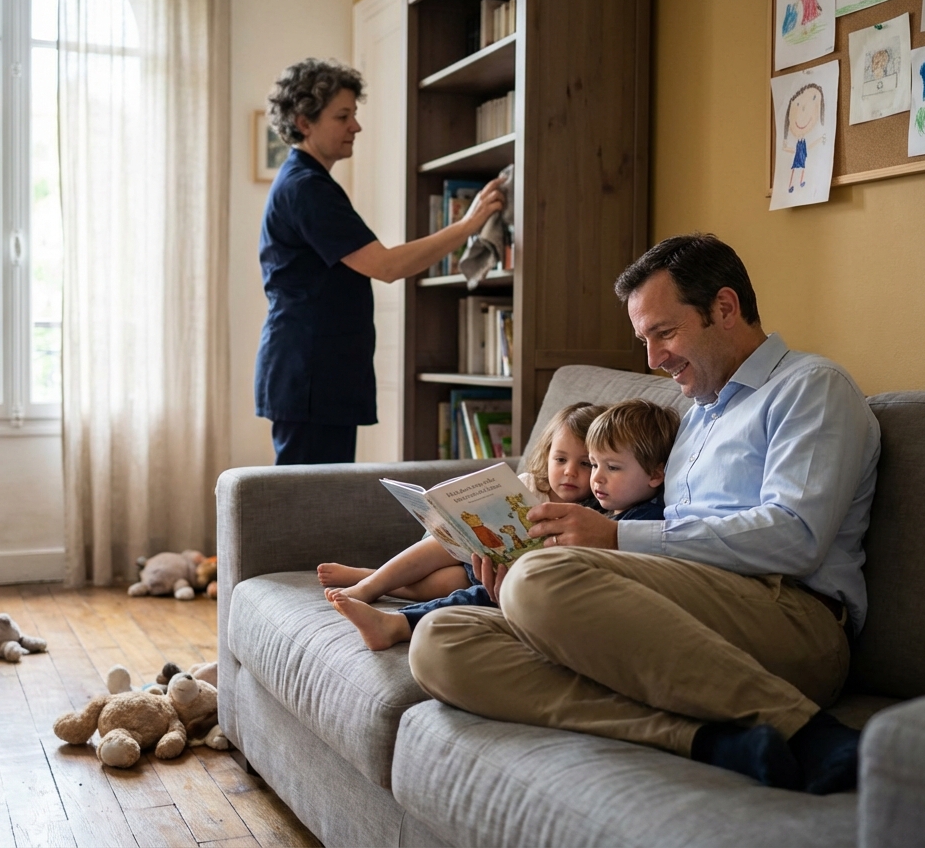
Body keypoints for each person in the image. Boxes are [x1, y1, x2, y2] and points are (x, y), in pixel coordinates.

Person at [408, 233, 881, 796]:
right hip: (677, 614)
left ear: (724, 308)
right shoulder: (696, 416)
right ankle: (708, 739)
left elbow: (796, 537)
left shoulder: (810, 388)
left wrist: (613, 539)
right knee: (441, 642)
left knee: (539, 581)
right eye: (644, 339)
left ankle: (806, 731)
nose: (654, 360)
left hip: (793, 621)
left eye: (665, 332)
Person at [254, 58, 504, 464]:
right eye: (343, 116)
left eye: (353, 114)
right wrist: (468, 225)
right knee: (308, 509)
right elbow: (386, 266)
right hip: (310, 374)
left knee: (316, 503)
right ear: (304, 122)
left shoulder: (309, 182)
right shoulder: (307, 188)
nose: (356, 126)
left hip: (315, 371)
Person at [318, 402, 608, 650]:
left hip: (493, 577)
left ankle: (372, 577)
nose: (570, 471)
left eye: (585, 464)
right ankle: (370, 585)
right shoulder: (530, 486)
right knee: (438, 548)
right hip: (471, 551)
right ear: (546, 455)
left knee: (451, 583)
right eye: (560, 459)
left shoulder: (591, 514)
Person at [586, 399, 678, 523]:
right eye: (594, 465)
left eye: (612, 467)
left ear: (655, 475)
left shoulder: (646, 521)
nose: (596, 478)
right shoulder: (596, 504)